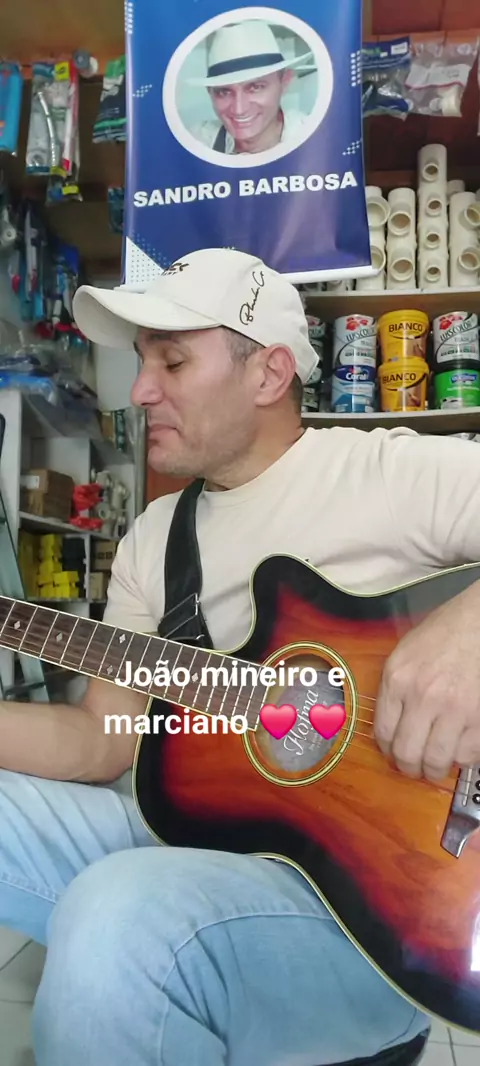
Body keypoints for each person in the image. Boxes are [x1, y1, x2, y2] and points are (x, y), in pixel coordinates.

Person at [2, 246, 480, 1065]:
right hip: (204, 846)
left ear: (269, 373)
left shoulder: (390, 472)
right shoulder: (156, 540)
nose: (141, 390)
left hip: (381, 907)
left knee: (120, 910)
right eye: (142, 362)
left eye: (173, 361)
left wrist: (469, 627)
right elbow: (102, 739)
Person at [188, 21, 314, 155]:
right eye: (224, 92)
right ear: (210, 92)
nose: (239, 110)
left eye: (256, 87)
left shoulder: (315, 137)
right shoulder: (196, 143)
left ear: (284, 82)